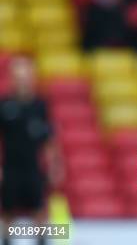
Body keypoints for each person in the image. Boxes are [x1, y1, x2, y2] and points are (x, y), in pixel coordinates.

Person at [0, 56, 62, 245]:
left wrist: (54, 166)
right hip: (10, 169)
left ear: (32, 78)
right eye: (18, 76)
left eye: (25, 76)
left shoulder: (40, 105)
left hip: (33, 169)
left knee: (40, 214)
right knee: (8, 215)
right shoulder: (4, 105)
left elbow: (49, 140)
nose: (22, 80)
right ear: (12, 78)